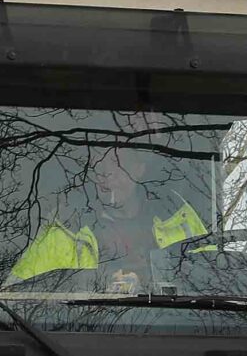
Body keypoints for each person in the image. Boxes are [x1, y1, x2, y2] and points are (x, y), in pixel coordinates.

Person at [11, 113, 211, 293]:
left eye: (117, 163)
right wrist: (88, 285)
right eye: (98, 164)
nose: (105, 173)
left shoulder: (179, 218)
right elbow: (17, 297)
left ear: (139, 169)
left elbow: (212, 282)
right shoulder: (66, 228)